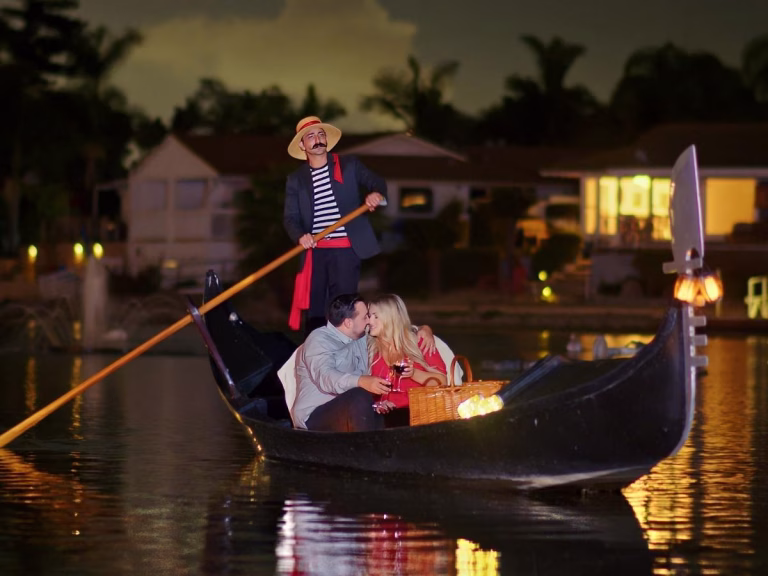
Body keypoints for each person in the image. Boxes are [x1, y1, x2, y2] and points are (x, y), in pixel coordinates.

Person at [284, 115, 388, 334]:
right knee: (316, 311)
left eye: (320, 134)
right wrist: (300, 235)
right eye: (310, 136)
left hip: (346, 250)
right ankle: (315, 358)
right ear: (303, 145)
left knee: (343, 309)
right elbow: (290, 218)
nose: (317, 139)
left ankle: (345, 357)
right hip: (315, 252)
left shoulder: (349, 165)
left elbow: (377, 182)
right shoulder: (295, 179)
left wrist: (376, 194)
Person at [292, 293, 434, 432]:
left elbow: (391, 327)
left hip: (354, 407)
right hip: (315, 415)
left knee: (395, 413)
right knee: (360, 395)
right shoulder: (319, 339)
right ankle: (364, 450)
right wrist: (361, 381)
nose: (369, 320)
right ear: (348, 322)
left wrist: (423, 329)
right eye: (365, 316)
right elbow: (326, 377)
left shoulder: (361, 336)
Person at [366, 294, 447, 427]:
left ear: (391, 318)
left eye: (376, 316)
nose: (370, 321)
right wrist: (377, 405)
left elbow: (442, 382)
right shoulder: (370, 350)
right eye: (369, 316)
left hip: (418, 416)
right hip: (383, 418)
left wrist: (413, 373)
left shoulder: (420, 342)